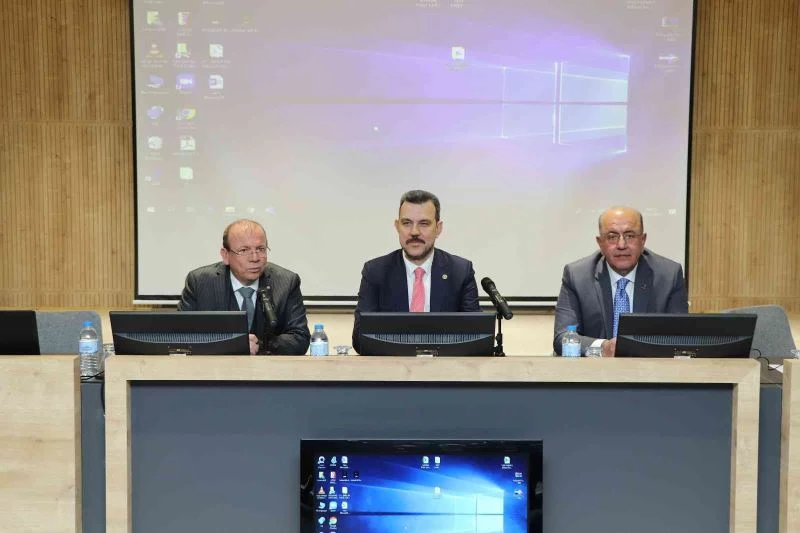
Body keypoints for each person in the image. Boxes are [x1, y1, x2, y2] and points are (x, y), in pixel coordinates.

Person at [352, 190, 480, 353]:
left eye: (424, 223)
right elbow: (361, 339)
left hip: (445, 365)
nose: (414, 232)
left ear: (438, 228)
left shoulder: (460, 271)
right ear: (397, 226)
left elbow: (474, 336)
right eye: (406, 223)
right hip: (392, 365)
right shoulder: (375, 272)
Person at [553, 206, 688, 356]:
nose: (621, 245)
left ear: (643, 240)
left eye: (630, 236)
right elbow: (562, 338)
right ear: (600, 242)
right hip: (595, 368)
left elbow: (680, 336)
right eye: (612, 237)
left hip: (649, 366)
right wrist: (603, 348)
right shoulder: (577, 276)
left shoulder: (669, 275)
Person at [178, 219, 310, 355]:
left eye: (260, 249)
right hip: (216, 367)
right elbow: (180, 336)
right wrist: (232, 344)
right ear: (225, 255)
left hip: (268, 367)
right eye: (244, 250)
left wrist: (261, 345)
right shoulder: (200, 282)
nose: (255, 258)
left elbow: (300, 338)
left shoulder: (286, 282)